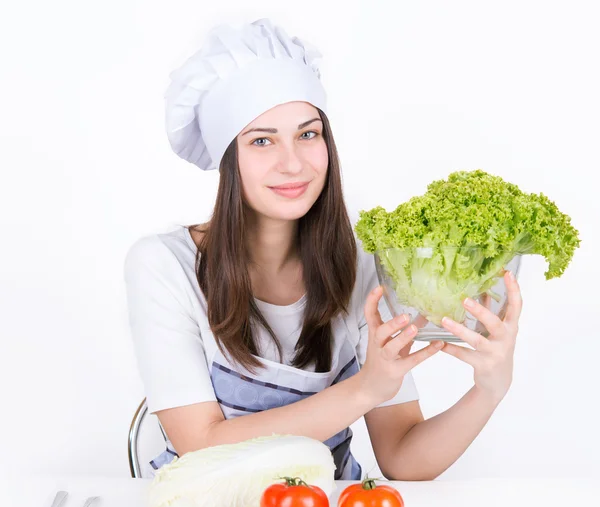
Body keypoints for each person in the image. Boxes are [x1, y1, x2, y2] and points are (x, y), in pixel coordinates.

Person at [123, 18, 523, 481]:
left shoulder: (363, 266)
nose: (292, 162)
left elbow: (404, 459)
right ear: (227, 159)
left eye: (308, 134)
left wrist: (491, 388)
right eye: (261, 140)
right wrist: (364, 389)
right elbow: (201, 446)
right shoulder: (164, 266)